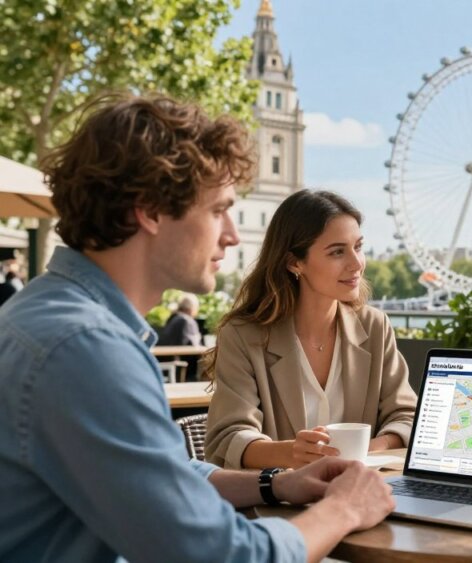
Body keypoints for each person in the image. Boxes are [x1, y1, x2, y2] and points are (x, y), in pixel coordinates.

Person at [0, 94, 395, 562]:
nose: (231, 233)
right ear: (149, 211)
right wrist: (344, 510)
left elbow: (165, 475)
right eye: (217, 210)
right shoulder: (85, 349)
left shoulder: (55, 318)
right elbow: (222, 556)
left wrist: (275, 483)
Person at [204, 189, 417, 470]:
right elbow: (228, 438)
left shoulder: (375, 327)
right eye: (337, 252)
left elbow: (408, 416)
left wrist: (370, 448)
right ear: (294, 263)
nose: (356, 264)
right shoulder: (243, 335)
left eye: (358, 247)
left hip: (360, 494)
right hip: (277, 503)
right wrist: (293, 454)